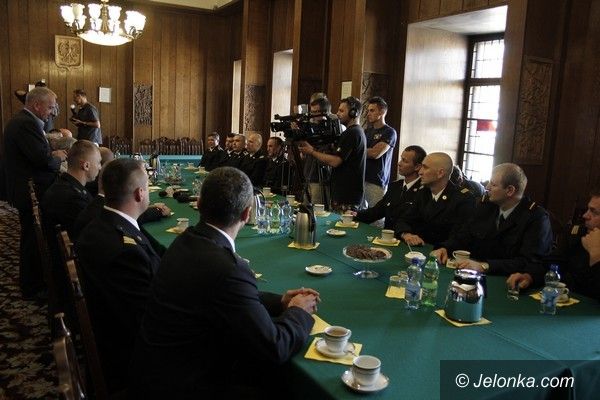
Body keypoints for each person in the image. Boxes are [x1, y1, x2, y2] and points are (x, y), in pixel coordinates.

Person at [130, 167, 319, 398]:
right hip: (186, 386)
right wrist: (298, 311)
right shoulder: (228, 268)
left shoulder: (184, 240)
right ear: (247, 214)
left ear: (199, 204)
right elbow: (275, 347)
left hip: (155, 373)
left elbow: (219, 294)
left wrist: (280, 301)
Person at [75, 158, 161, 393]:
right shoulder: (126, 252)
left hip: (111, 330)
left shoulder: (99, 224)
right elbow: (148, 321)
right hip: (130, 360)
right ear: (140, 194)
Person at [432, 163, 552, 276]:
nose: (487, 187)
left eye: (493, 185)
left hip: (508, 279)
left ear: (510, 190)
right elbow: (463, 236)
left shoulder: (536, 218)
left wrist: (485, 266)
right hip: (476, 275)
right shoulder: (485, 207)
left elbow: (529, 262)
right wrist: (445, 248)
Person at [3, 87, 67, 298]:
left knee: (32, 237)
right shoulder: (26, 124)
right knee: (32, 239)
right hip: (28, 189)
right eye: (50, 107)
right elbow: (43, 160)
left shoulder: (26, 121)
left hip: (27, 187)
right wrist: (57, 157)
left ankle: (37, 281)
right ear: (36, 105)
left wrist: (51, 153)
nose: (52, 112)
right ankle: (32, 287)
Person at [507, 191, 600, 300]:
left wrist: (596, 256)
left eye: (594, 212)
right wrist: (529, 276)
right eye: (588, 209)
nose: (585, 215)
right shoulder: (577, 235)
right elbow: (552, 265)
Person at [298, 96, 366, 212]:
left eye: (342, 111)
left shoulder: (352, 133)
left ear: (353, 113)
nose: (337, 114)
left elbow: (335, 161)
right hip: (344, 194)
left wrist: (312, 151)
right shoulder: (354, 132)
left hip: (347, 196)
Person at [394, 152, 476, 247]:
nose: (420, 172)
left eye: (425, 167)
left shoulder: (463, 199)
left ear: (440, 173)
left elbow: (461, 236)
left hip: (443, 251)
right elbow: (404, 219)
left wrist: (444, 248)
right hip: (419, 248)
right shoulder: (423, 192)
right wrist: (406, 234)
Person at [354, 145, 426, 229]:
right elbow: (377, 211)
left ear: (417, 167)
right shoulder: (395, 186)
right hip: (387, 235)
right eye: (401, 159)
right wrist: (355, 214)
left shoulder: (424, 190)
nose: (399, 163)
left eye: (404, 161)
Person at [41, 140, 101, 238]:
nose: (100, 167)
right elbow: (91, 234)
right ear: (86, 166)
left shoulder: (63, 184)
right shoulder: (74, 198)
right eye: (98, 162)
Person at [364, 97, 397, 208]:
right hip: (362, 178)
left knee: (376, 214)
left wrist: (358, 150)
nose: (368, 114)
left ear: (382, 112)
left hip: (377, 181)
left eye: (372, 110)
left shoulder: (389, 132)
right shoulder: (366, 131)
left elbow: (375, 153)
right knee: (359, 214)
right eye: (368, 110)